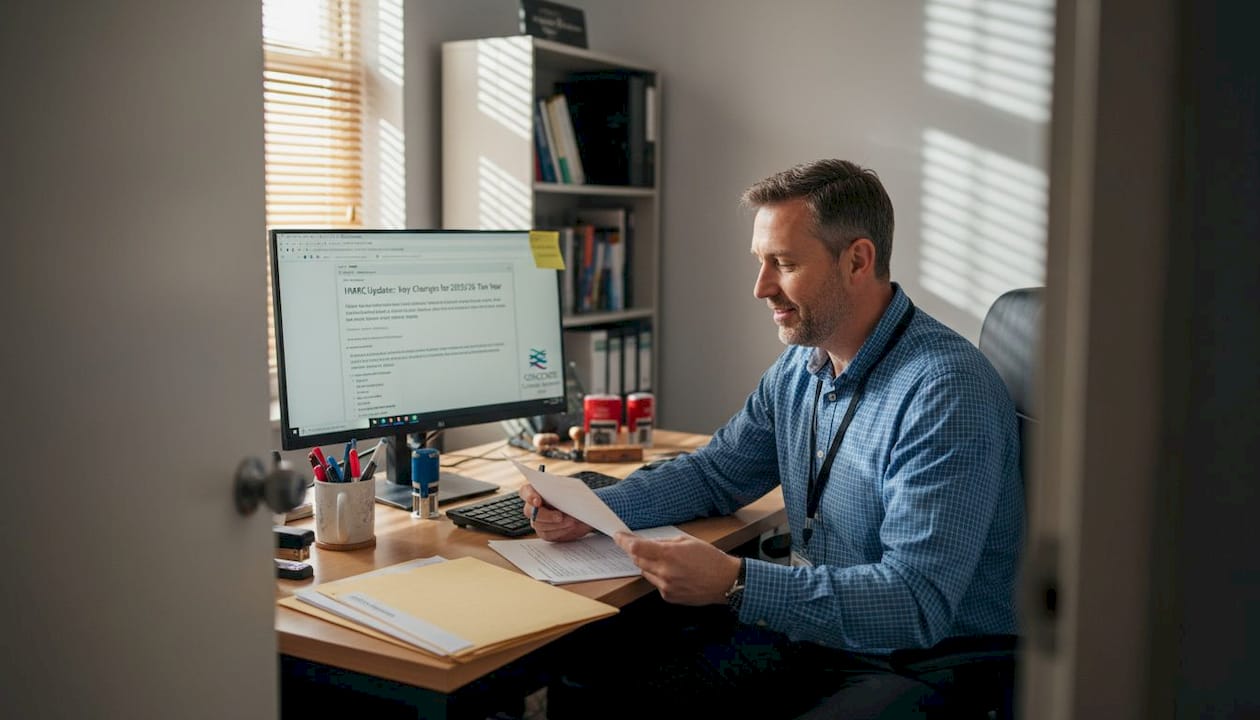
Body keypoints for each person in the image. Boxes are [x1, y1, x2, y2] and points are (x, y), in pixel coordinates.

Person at [521, 159, 1024, 719]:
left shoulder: (944, 391)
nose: (761, 288)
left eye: (783, 264)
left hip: (930, 660)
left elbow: (914, 601)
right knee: (599, 671)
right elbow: (717, 473)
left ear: (858, 260)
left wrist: (737, 582)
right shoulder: (800, 367)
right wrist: (590, 508)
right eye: (761, 262)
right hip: (819, 636)